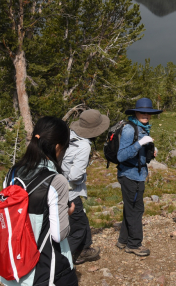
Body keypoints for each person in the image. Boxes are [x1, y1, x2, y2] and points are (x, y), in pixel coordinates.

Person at [0, 116, 77, 286]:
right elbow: (58, 234)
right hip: (45, 268)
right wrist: (67, 213)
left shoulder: (13, 173)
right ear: (57, 146)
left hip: (15, 263)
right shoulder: (56, 181)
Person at [62, 109, 110, 265]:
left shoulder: (66, 135)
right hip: (70, 192)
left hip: (55, 187)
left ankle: (84, 248)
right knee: (79, 225)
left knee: (80, 218)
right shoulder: (84, 146)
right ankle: (63, 262)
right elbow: (75, 176)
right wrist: (83, 176)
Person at [116, 97, 161, 257]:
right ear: (136, 112)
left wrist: (149, 152)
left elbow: (138, 152)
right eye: (143, 112)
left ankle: (123, 240)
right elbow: (121, 156)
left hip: (138, 174)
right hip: (130, 175)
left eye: (149, 113)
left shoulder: (142, 128)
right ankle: (134, 244)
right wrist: (140, 144)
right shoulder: (130, 129)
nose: (146, 115)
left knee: (131, 207)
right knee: (136, 209)